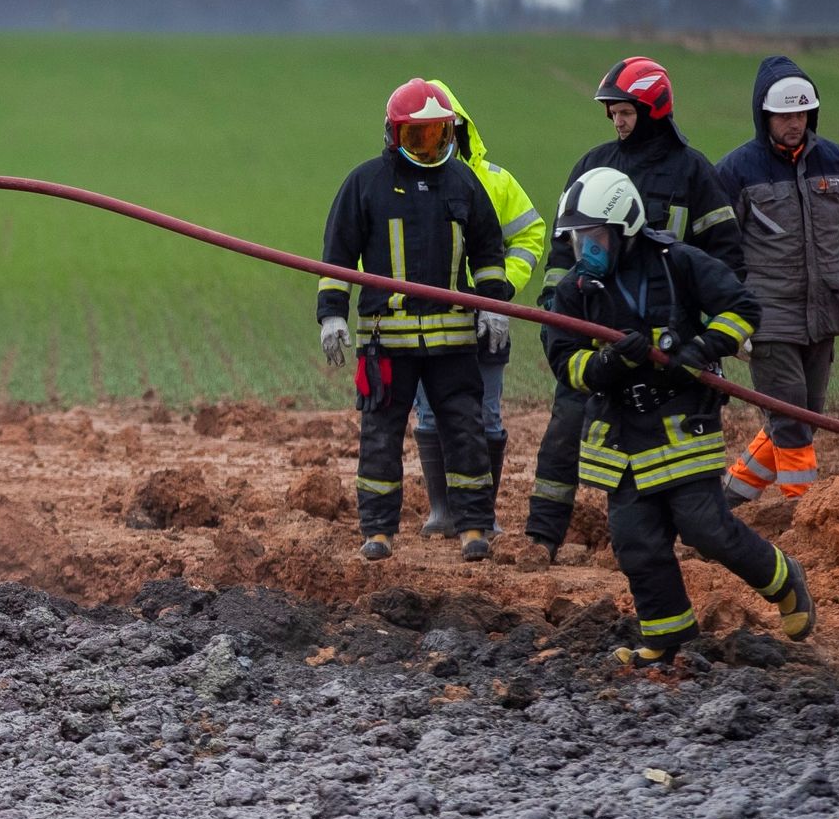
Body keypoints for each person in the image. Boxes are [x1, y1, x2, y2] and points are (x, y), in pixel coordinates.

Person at [542, 167, 814, 666]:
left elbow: (740, 307)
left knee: (705, 528)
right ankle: (668, 641)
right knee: (635, 544)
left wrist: (704, 346)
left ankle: (782, 579)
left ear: (625, 228)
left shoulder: (677, 264)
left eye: (594, 237)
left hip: (680, 424)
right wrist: (606, 363)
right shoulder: (576, 291)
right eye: (579, 239)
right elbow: (565, 363)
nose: (586, 251)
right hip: (620, 436)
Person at [524, 57, 743, 564]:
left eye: (626, 111)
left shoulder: (693, 172)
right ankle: (541, 536)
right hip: (599, 333)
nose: (618, 121)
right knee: (566, 427)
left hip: (670, 341)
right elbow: (564, 251)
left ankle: (692, 534)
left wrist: (714, 333)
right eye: (613, 113)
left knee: (676, 440)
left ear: (653, 109)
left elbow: (725, 254)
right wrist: (556, 312)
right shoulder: (593, 166)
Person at [318, 78, 514, 563]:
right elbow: (336, 258)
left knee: (465, 432)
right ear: (393, 135)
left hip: (452, 341)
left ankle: (472, 526)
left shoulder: (464, 183)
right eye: (417, 138)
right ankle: (378, 531)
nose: (429, 150)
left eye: (439, 137)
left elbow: (489, 254)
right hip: (388, 342)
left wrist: (493, 304)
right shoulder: (364, 184)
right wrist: (331, 316)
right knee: (380, 436)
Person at [716, 55, 839, 504]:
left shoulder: (835, 161)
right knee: (790, 419)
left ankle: (727, 498)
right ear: (764, 116)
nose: (795, 123)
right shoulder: (736, 171)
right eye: (784, 115)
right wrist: (728, 320)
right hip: (767, 318)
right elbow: (717, 253)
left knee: (803, 417)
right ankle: (803, 512)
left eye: (801, 114)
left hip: (824, 311)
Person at [411, 79, 547, 537]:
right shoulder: (403, 185)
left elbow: (529, 236)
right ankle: (442, 511)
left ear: (457, 128)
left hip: (484, 321)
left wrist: (501, 293)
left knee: (485, 413)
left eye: (438, 130)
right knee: (430, 413)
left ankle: (481, 516)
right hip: (427, 323)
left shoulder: (495, 182)